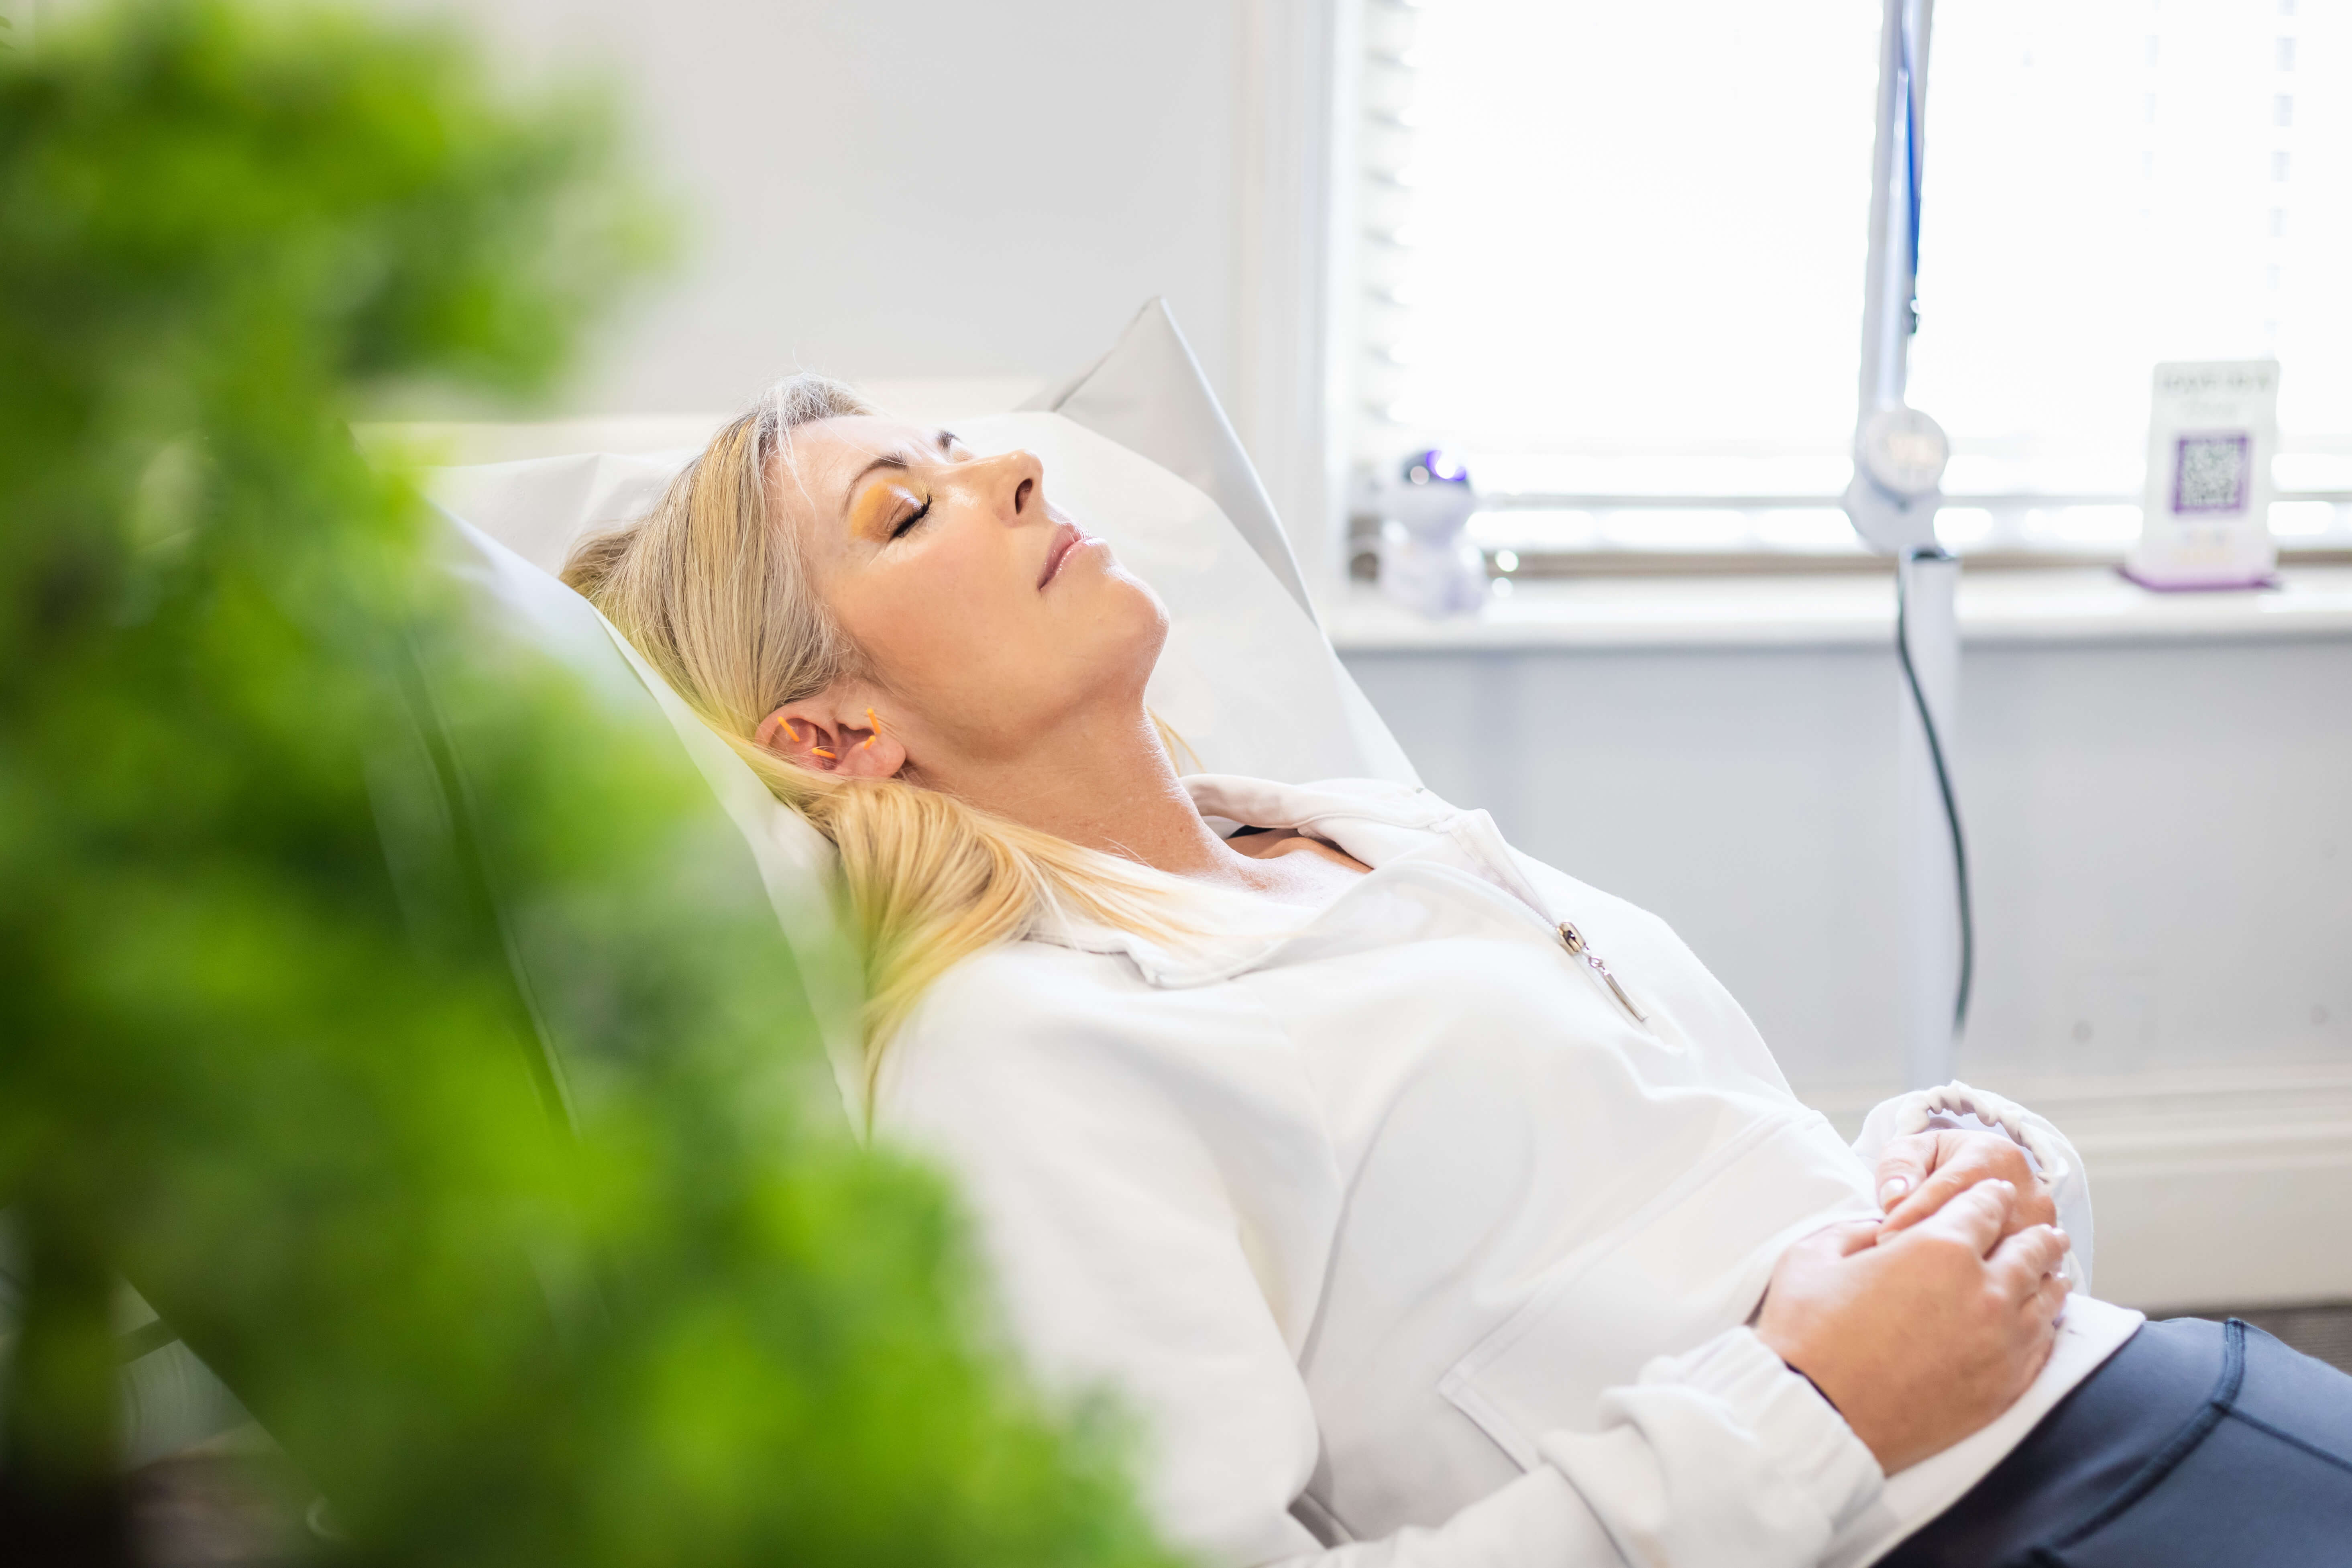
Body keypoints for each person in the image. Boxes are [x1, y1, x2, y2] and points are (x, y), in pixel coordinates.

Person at [563, 377, 2352, 1568]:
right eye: (905, 510)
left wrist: (1982, 1163)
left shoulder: (1366, 833)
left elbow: (1714, 1178)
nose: (1014, 469)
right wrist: (1805, 1410)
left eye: (967, 449)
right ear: (831, 727)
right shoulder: (1020, 1046)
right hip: (1986, 1518)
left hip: (2142, 1390)